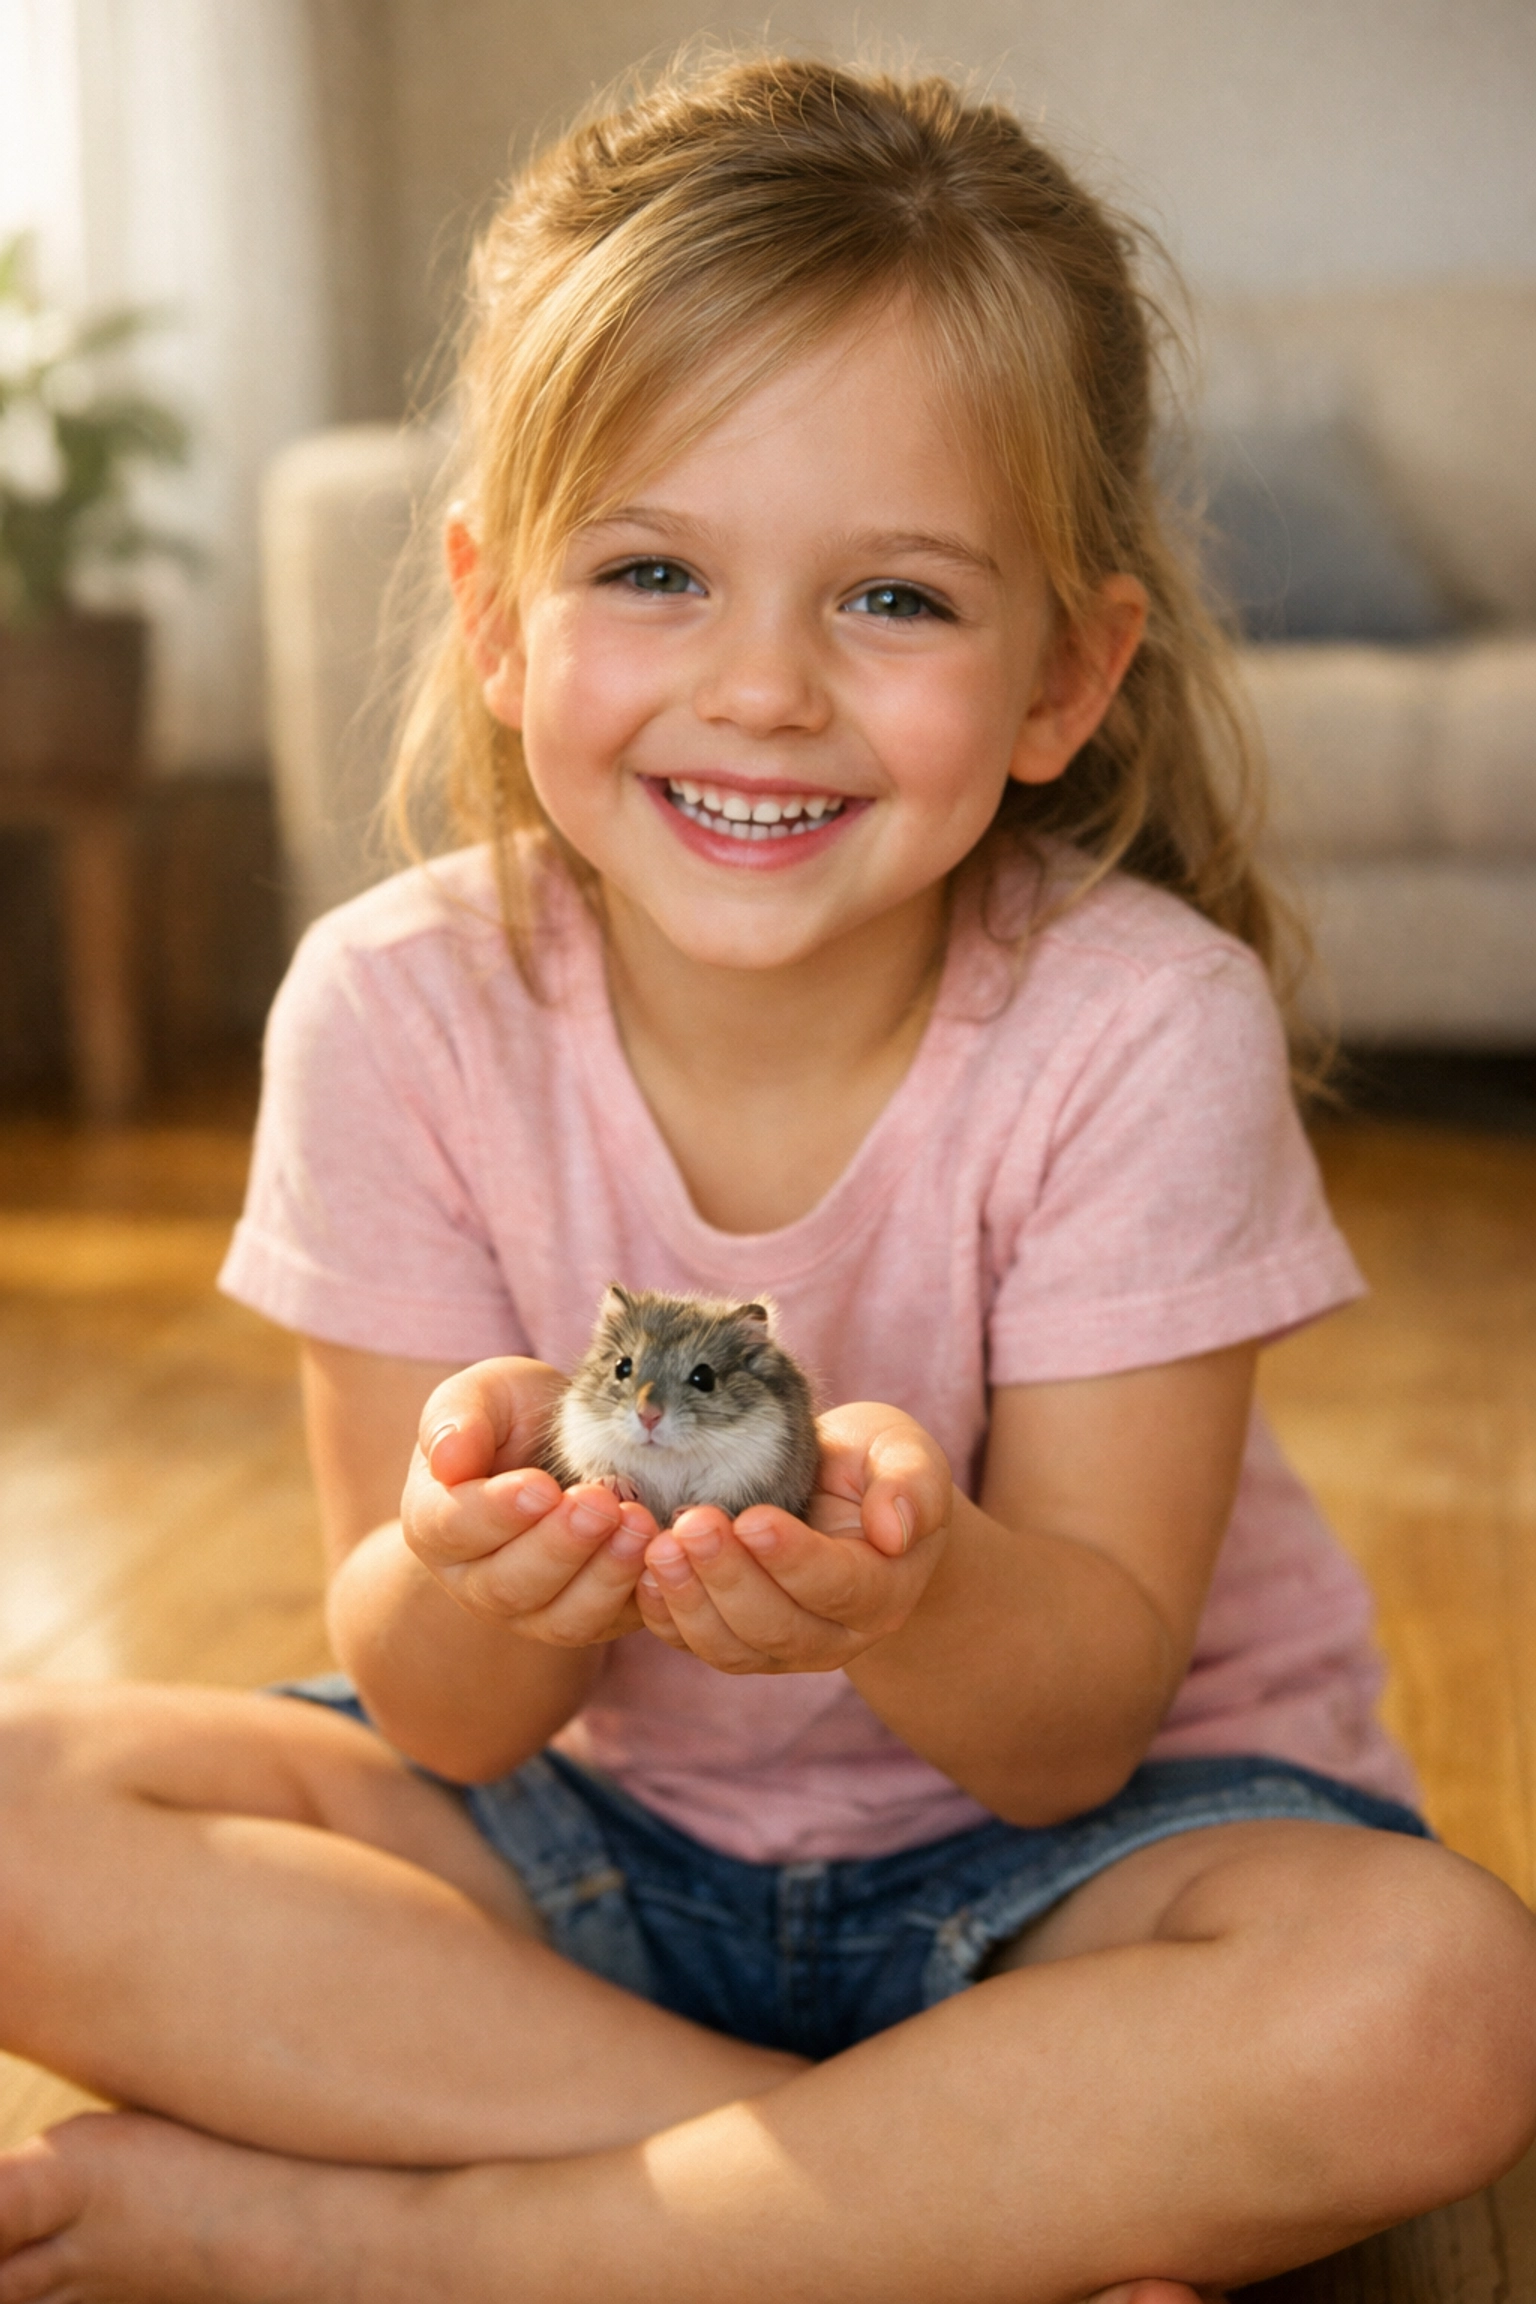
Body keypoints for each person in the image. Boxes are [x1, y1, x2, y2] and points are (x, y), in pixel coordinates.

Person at [0, 53, 1532, 2304]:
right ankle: (930, 2204)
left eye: (894, 603)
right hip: (574, 1869)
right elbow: (436, 1719)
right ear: (500, 619)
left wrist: (914, 1592)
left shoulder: (1139, 1026)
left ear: (1064, 676)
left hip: (1085, 1877)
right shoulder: (389, 1009)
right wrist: (474, 1565)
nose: (763, 689)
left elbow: (1077, 1723)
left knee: (1440, 2001)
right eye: (651, 571)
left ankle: (424, 2253)